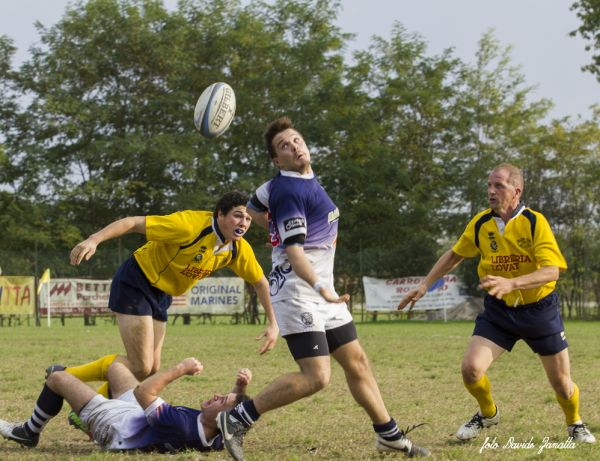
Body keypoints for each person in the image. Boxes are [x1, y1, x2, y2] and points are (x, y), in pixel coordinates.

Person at [216, 117, 430, 461]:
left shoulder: (291, 184)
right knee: (316, 376)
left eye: (296, 140)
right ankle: (238, 418)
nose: (294, 146)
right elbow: (295, 252)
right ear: (277, 161)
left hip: (322, 293)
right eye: (284, 146)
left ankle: (388, 434)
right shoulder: (289, 191)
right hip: (299, 292)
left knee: (357, 361)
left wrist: (270, 224)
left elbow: (255, 203)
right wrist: (319, 285)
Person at [397, 163, 596, 444]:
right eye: (489, 185)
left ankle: (574, 422)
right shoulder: (481, 223)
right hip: (499, 311)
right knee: (471, 369)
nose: (491, 191)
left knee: (563, 386)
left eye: (498, 186)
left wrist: (512, 283)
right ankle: (488, 414)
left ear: (516, 191)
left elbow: (552, 270)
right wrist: (424, 284)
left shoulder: (535, 222)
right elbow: (455, 255)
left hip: (539, 310)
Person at [69, 191, 278, 382]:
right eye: (238, 215)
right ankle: (66, 376)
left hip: (162, 294)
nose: (244, 222)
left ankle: (96, 403)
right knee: (141, 366)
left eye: (248, 218)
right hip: (136, 281)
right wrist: (93, 240)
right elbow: (133, 223)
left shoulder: (237, 248)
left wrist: (273, 323)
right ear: (220, 215)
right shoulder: (189, 226)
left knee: (151, 369)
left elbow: (260, 283)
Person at [0, 355, 253, 452]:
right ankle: (76, 392)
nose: (218, 394)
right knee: (115, 366)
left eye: (222, 400)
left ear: (220, 419)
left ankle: (29, 432)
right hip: (138, 417)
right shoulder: (216, 436)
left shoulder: (181, 427)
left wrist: (180, 369)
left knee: (56, 379)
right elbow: (231, 420)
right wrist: (239, 390)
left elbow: (144, 393)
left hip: (115, 427)